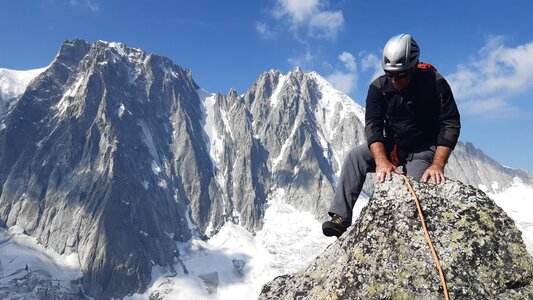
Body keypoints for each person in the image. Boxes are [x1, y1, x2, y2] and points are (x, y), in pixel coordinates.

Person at [322, 34, 461, 238]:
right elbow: (373, 125)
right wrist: (381, 160)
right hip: (393, 146)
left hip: (423, 150)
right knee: (356, 156)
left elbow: (450, 123)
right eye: (390, 74)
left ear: (414, 67)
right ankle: (340, 217)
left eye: (400, 75)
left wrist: (438, 164)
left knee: (410, 194)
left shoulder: (436, 84)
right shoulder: (378, 87)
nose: (394, 80)